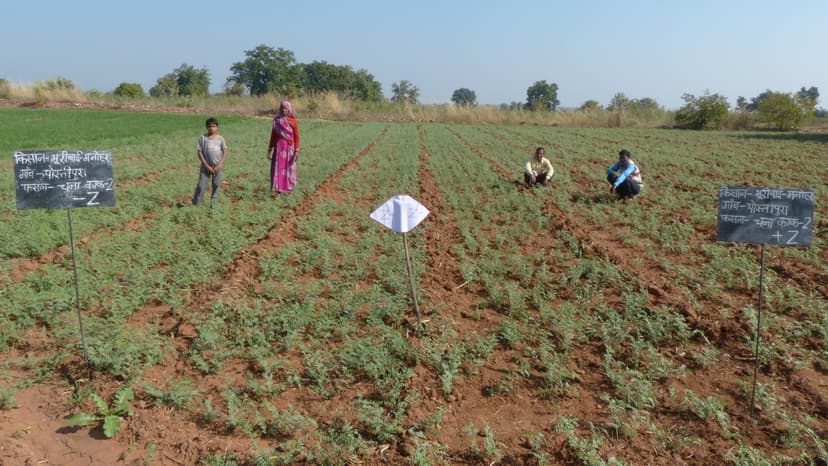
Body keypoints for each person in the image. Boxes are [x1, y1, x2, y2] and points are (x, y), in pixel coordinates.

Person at [192, 117, 227, 207]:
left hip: (217, 166)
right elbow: (199, 152)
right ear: (207, 127)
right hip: (205, 166)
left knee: (216, 185)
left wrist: (220, 164)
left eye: (214, 126)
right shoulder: (203, 138)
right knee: (201, 186)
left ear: (217, 127)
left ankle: (213, 205)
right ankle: (196, 205)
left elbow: (225, 151)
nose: (212, 128)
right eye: (210, 126)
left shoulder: (220, 138)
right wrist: (206, 165)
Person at [267, 100, 301, 194]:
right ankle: (278, 189)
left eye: (285, 108)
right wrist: (270, 149)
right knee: (278, 169)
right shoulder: (277, 120)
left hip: (289, 149)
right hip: (279, 149)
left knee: (289, 168)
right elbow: (273, 136)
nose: (282, 110)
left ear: (289, 109)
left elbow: (297, 136)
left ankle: (289, 188)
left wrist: (297, 150)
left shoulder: (293, 121)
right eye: (281, 108)